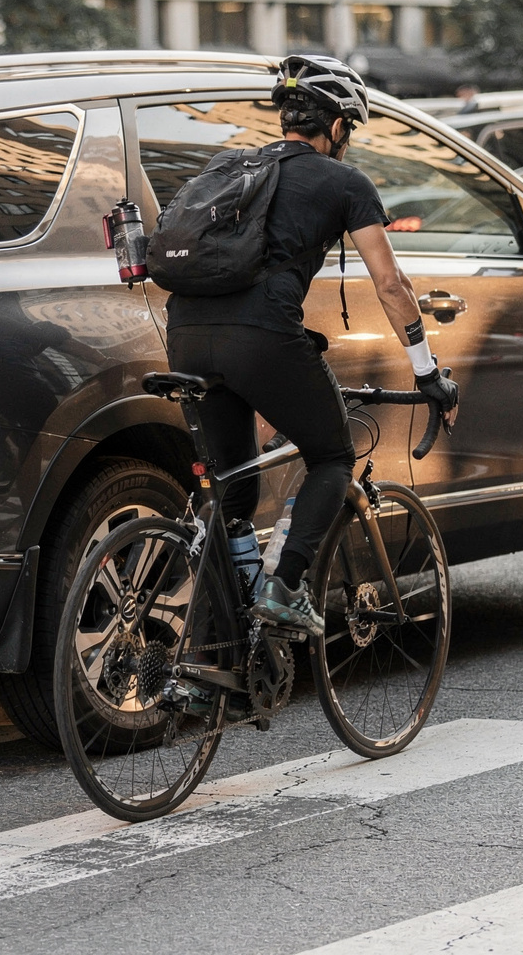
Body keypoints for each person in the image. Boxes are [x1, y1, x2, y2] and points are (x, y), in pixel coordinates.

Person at [164, 55, 460, 634]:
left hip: (185, 338)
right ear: (338, 126)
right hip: (261, 339)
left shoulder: (231, 166)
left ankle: (207, 663)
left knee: (234, 494)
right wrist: (427, 373)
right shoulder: (345, 182)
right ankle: (287, 589)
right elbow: (391, 284)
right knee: (331, 457)